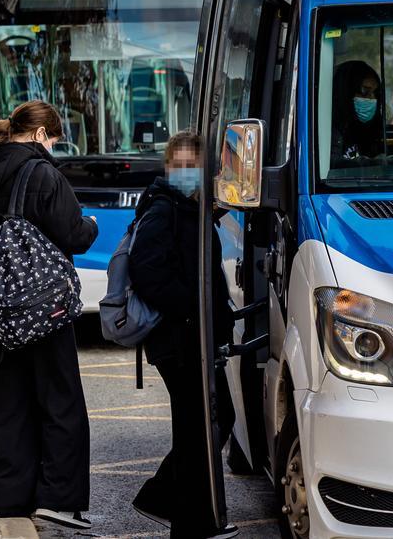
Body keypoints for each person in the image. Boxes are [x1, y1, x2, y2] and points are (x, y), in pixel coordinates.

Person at [0, 100, 99, 530]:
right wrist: (90, 224)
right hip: (43, 309)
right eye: (53, 139)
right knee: (60, 399)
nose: (53, 147)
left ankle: (8, 498)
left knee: (8, 402)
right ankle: (57, 497)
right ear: (40, 135)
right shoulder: (42, 174)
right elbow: (74, 234)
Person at [128, 130, 238, 539]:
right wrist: (194, 309)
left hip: (192, 337)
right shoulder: (164, 208)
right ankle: (184, 518)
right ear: (170, 166)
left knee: (204, 425)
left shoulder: (188, 207)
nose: (188, 172)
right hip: (179, 339)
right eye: (181, 165)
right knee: (205, 424)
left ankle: (183, 514)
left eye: (195, 165)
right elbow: (147, 272)